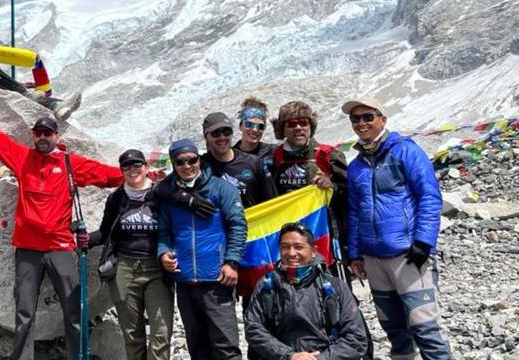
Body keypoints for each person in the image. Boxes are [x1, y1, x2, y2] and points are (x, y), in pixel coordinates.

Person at [0, 84, 123, 360]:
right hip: (27, 249)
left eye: (48, 133)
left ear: (56, 135)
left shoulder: (69, 163)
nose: (43, 137)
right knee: (24, 313)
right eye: (38, 133)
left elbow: (105, 175)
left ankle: (77, 356)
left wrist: (139, 175)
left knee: (73, 311)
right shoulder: (22, 158)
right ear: (33, 135)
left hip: (61, 248)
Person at [343, 98, 452, 360]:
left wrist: (424, 242)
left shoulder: (406, 151)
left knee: (425, 328)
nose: (361, 123)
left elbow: (429, 196)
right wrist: (355, 254)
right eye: (355, 119)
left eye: (368, 117)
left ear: (382, 119)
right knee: (394, 330)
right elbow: (355, 211)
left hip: (408, 255)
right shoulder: (356, 165)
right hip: (374, 258)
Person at [155, 138, 246, 360]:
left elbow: (238, 225)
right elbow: (163, 231)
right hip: (185, 282)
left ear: (199, 159)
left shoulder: (221, 188)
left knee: (226, 347)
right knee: (197, 347)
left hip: (217, 279)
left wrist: (231, 262)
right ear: (174, 165)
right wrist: (163, 252)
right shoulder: (169, 194)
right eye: (180, 162)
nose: (187, 166)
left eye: (192, 160)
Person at [88, 149, 172, 360]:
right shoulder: (117, 198)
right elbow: (105, 232)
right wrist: (85, 239)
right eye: (127, 166)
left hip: (157, 270)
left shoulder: (160, 194)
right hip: (124, 269)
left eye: (137, 165)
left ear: (145, 167)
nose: (132, 169)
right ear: (122, 170)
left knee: (161, 332)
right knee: (132, 334)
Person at [244, 223, 369, 360]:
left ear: (313, 251)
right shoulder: (266, 286)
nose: (291, 253)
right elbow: (253, 330)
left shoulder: (335, 287)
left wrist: (321, 358)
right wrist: (289, 356)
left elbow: (356, 337)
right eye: (285, 247)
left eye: (298, 247)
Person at [200, 111, 277, 208]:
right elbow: (177, 183)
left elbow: (273, 201)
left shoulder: (254, 163)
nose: (222, 137)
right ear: (205, 136)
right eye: (216, 133)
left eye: (227, 131)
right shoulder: (199, 166)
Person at [234, 96, 277, 172]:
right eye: (249, 124)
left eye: (260, 126)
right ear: (240, 126)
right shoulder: (231, 156)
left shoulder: (274, 152)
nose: (255, 130)